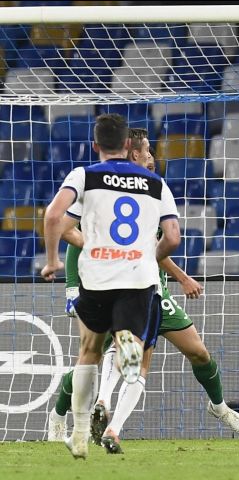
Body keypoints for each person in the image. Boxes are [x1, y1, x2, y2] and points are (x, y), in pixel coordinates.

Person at [47, 129, 239, 453]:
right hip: (112, 285)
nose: (153, 162)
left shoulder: (151, 192)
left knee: (197, 351)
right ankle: (61, 415)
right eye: (148, 156)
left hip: (151, 287)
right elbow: (77, 238)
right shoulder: (105, 187)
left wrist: (181, 277)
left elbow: (157, 245)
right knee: (94, 355)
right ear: (132, 153)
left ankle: (220, 407)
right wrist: (73, 286)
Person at [41, 113, 181, 459]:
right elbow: (173, 238)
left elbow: (55, 217)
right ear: (128, 145)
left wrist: (54, 259)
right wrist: (151, 256)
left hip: (98, 277)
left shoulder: (85, 176)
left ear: (96, 145)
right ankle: (127, 350)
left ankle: (77, 435)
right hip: (137, 278)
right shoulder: (155, 184)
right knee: (129, 347)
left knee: (89, 351)